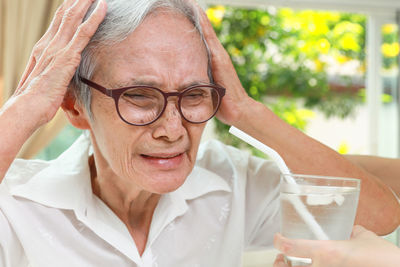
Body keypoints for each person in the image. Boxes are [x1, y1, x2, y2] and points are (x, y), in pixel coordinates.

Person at [0, 0, 398, 266]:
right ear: (74, 106)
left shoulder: (229, 181)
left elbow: (380, 217)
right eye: (139, 96)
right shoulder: (16, 202)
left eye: (193, 94)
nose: (173, 130)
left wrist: (246, 111)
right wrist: (22, 112)